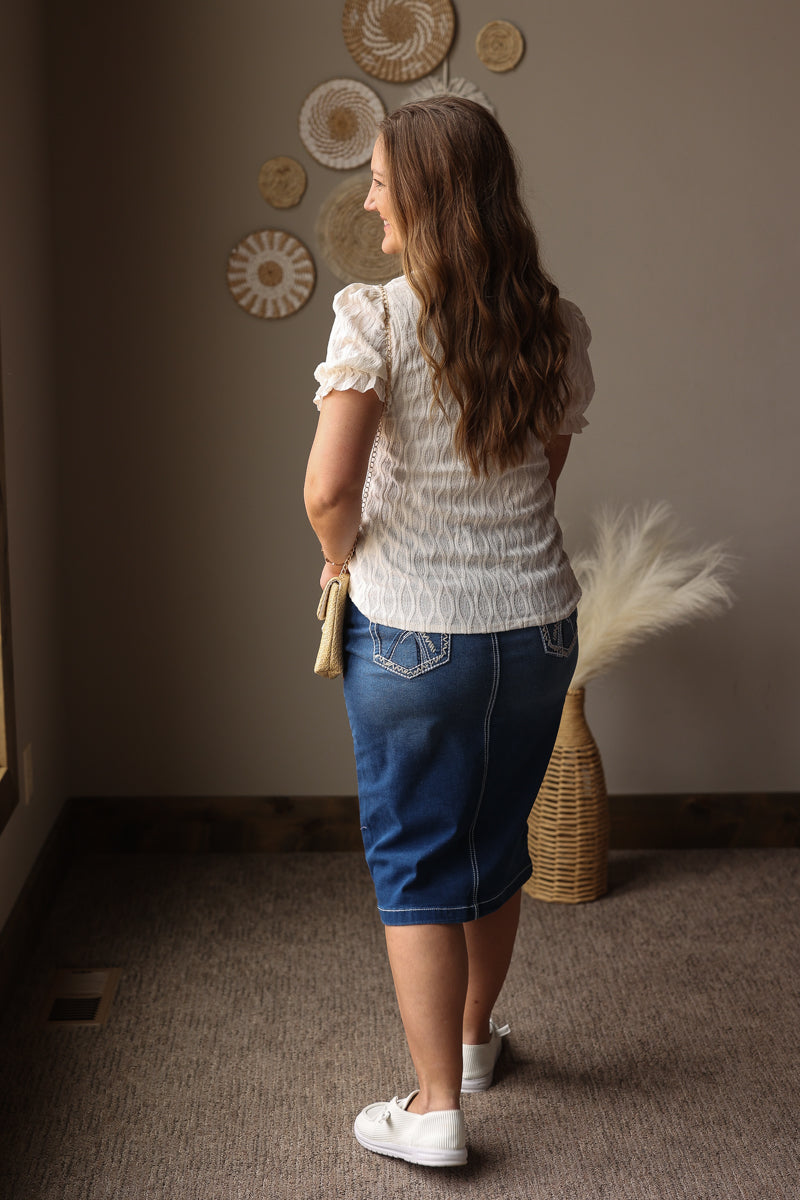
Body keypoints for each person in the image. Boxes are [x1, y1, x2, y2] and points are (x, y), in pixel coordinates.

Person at [304, 95, 594, 1169]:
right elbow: (545, 478)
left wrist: (343, 558)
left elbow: (327, 488)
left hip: (413, 634)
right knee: (492, 849)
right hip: (535, 629)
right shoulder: (550, 322)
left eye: (380, 178)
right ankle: (471, 1047)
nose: (371, 195)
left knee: (416, 869)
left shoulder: (374, 317)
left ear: (421, 194)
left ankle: (431, 1110)